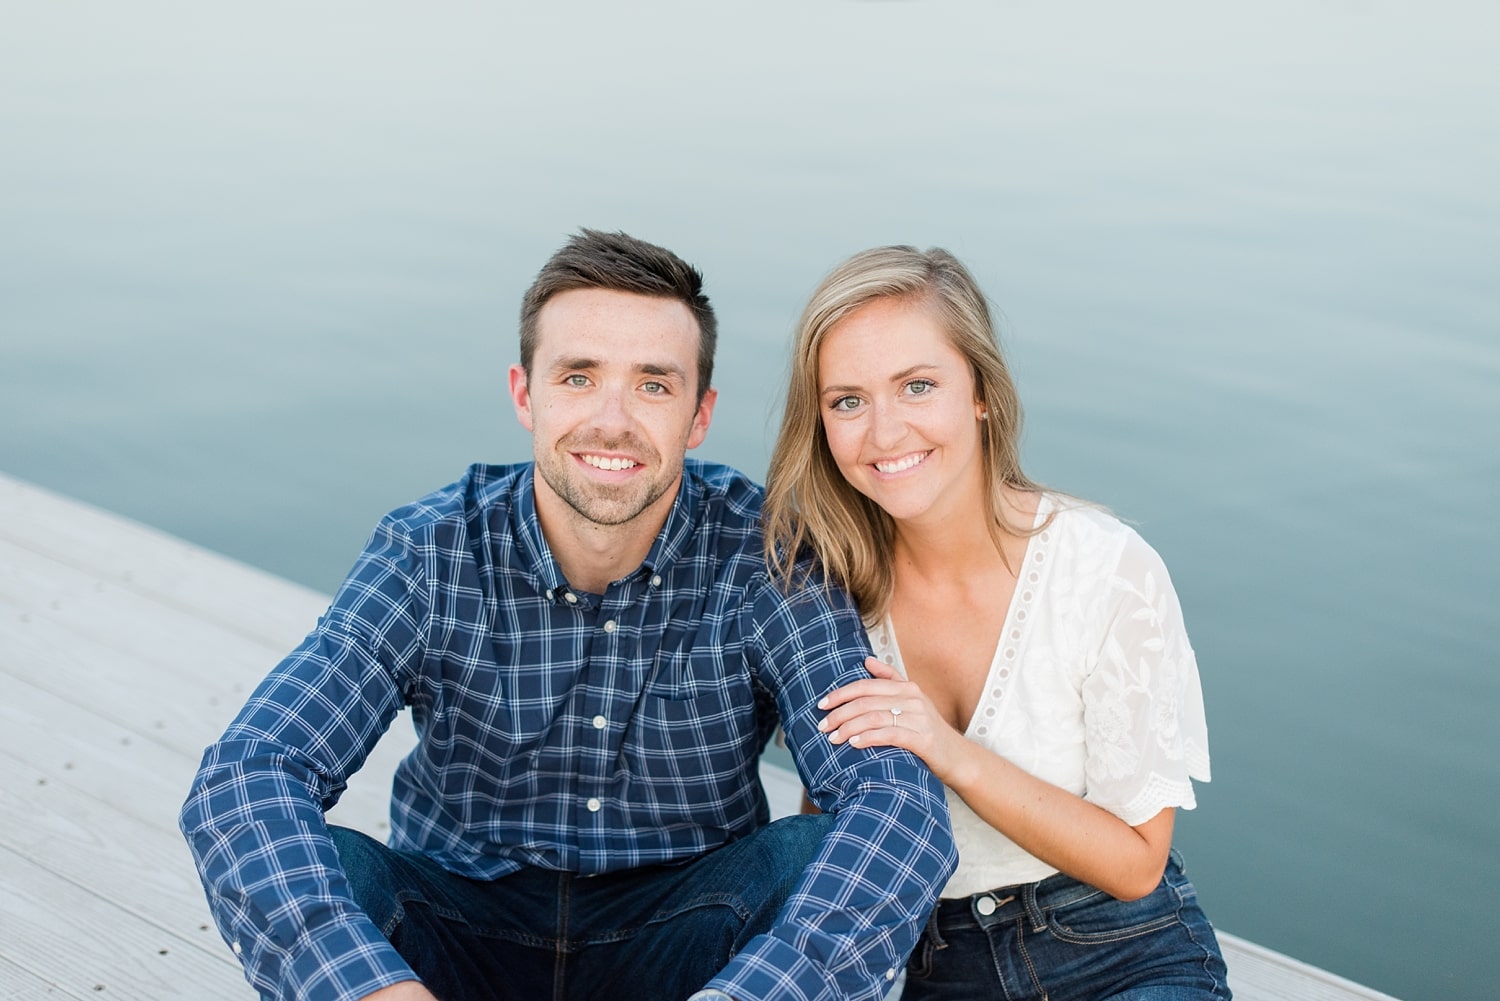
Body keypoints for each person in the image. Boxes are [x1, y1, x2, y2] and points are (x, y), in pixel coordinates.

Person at [180, 230, 956, 1001]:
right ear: (525, 394)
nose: (612, 420)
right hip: (457, 933)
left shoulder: (768, 557)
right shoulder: (429, 550)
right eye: (578, 377)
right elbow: (247, 774)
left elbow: (896, 803)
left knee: (807, 856)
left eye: (654, 384)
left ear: (699, 415)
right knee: (332, 866)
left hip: (688, 940)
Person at [763, 246, 1230, 1000]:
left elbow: (1139, 861)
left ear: (980, 391)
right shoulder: (823, 592)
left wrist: (946, 749)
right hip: (933, 962)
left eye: (917, 386)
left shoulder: (1105, 570)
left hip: (1115, 943)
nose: (884, 432)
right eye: (847, 400)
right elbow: (835, 814)